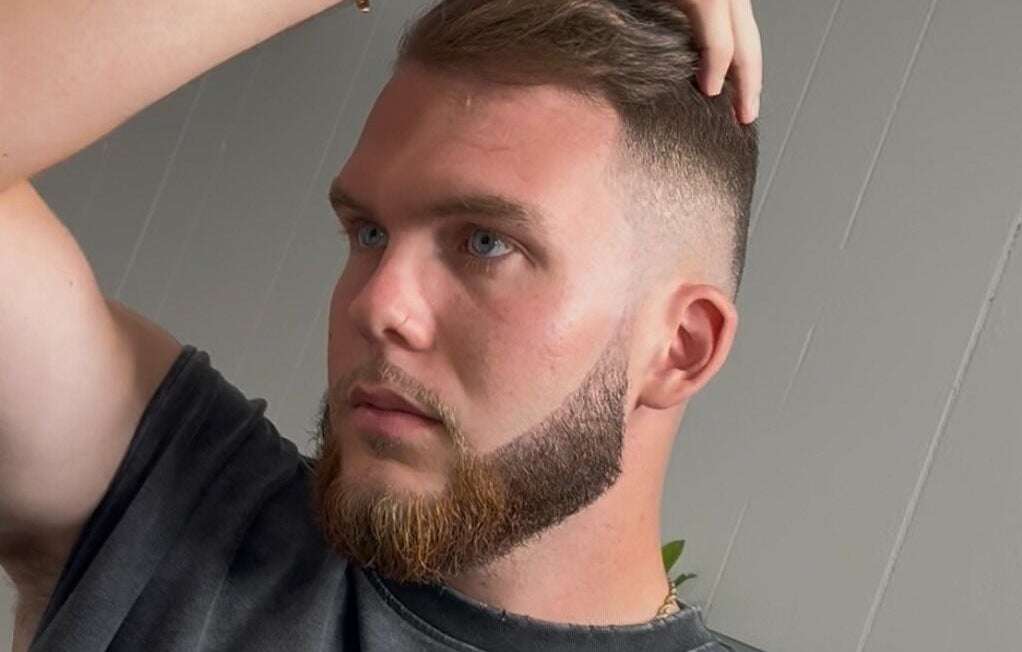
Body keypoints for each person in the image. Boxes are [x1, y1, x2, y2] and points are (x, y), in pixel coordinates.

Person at [0, 0, 761, 650]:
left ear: (679, 347)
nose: (376, 304)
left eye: (485, 243)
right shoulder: (171, 516)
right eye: (367, 233)